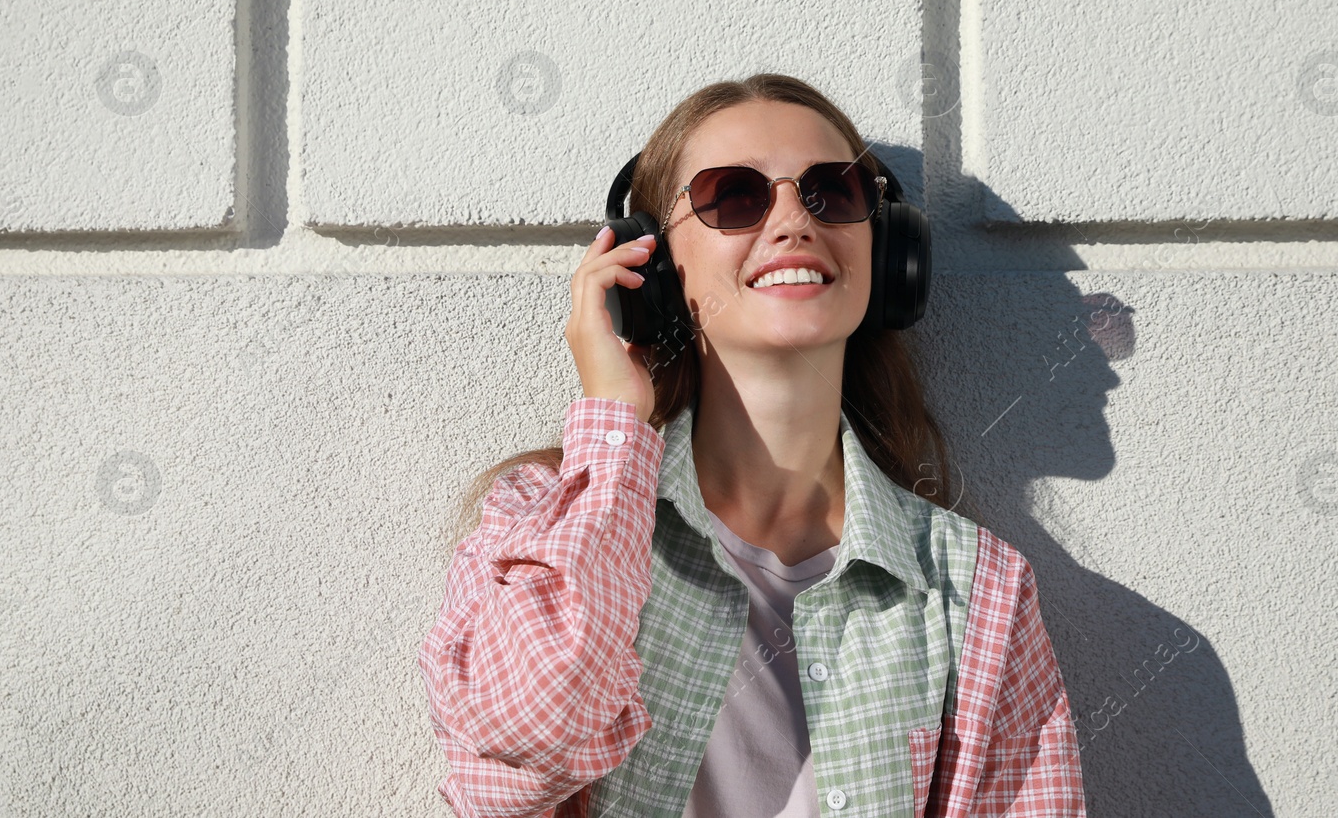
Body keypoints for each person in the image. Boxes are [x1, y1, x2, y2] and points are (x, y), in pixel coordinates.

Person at [418, 74, 1086, 817]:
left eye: (832, 190)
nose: (794, 219)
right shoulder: (546, 522)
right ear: (656, 268)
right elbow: (519, 753)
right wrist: (612, 422)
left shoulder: (980, 589)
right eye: (733, 196)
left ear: (889, 247)